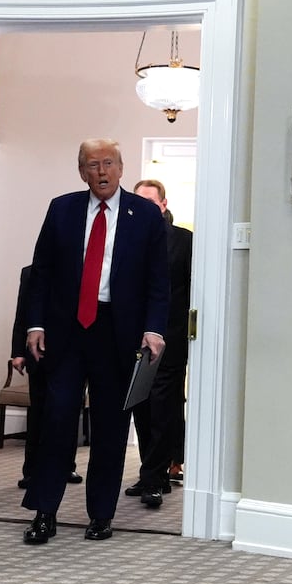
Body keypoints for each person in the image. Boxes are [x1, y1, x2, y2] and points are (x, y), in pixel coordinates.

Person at [21, 139, 169, 543]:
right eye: (91, 165)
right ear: (81, 171)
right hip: (67, 331)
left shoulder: (146, 218)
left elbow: (159, 282)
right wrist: (35, 324)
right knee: (57, 419)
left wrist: (154, 330)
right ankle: (44, 513)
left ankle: (101, 514)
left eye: (107, 164)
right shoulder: (62, 208)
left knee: (110, 426)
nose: (100, 172)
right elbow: (42, 272)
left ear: (121, 168)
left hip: (117, 333)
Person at [125, 180, 192, 509]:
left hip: (170, 342)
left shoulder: (184, 241)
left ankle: (155, 478)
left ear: (163, 205)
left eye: (151, 201)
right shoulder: (125, 240)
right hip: (132, 343)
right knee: (142, 409)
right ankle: (152, 473)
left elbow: (191, 292)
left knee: (164, 410)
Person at [9, 264, 83, 490]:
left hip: (73, 355)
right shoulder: (30, 272)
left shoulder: (79, 269)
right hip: (38, 355)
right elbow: (22, 312)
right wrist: (17, 353)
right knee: (38, 413)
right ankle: (31, 471)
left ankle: (66, 466)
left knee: (68, 412)